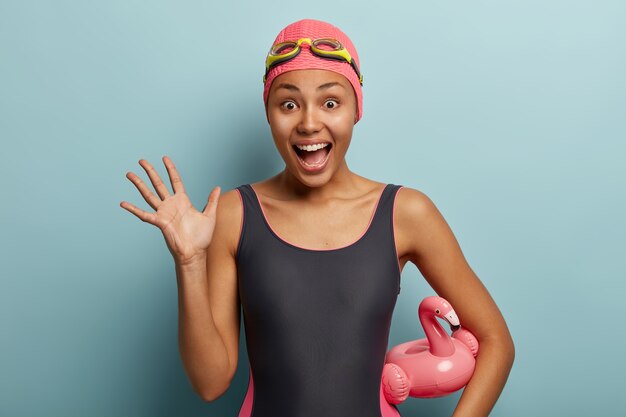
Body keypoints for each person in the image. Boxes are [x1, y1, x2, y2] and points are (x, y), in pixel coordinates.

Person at [120, 18, 514, 417]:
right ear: (269, 114)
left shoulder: (405, 213)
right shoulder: (235, 215)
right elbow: (210, 384)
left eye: (330, 102)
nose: (309, 123)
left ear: (356, 108)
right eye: (288, 104)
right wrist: (189, 263)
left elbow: (495, 340)